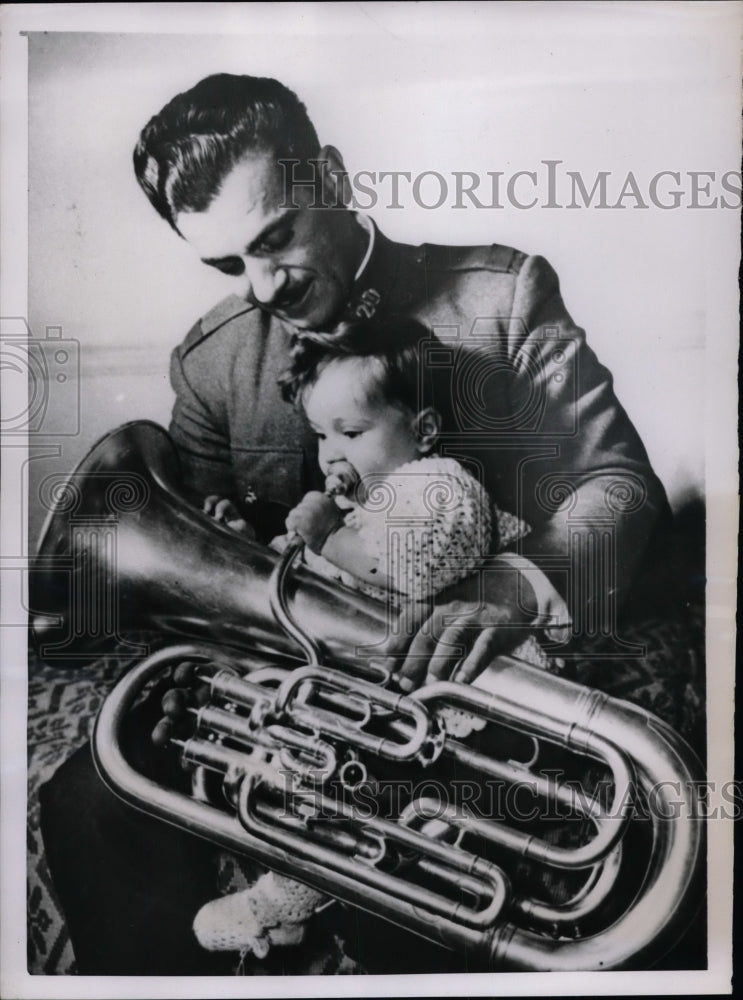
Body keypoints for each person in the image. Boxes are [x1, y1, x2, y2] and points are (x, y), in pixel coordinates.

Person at [38, 72, 704, 975]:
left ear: (334, 179)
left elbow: (615, 482)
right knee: (85, 804)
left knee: (424, 884)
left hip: (466, 693)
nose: (261, 286)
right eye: (229, 264)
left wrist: (513, 582)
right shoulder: (210, 362)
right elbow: (194, 558)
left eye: (275, 239)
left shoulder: (501, 295)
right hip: (296, 689)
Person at [192, 316, 561, 959]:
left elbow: (421, 567)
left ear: (421, 431)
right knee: (316, 750)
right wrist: (248, 546)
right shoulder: (365, 506)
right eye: (319, 435)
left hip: (474, 703)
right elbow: (300, 580)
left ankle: (286, 900)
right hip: (407, 689)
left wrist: (330, 534)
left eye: (351, 432)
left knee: (366, 781)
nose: (331, 453)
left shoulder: (440, 485)